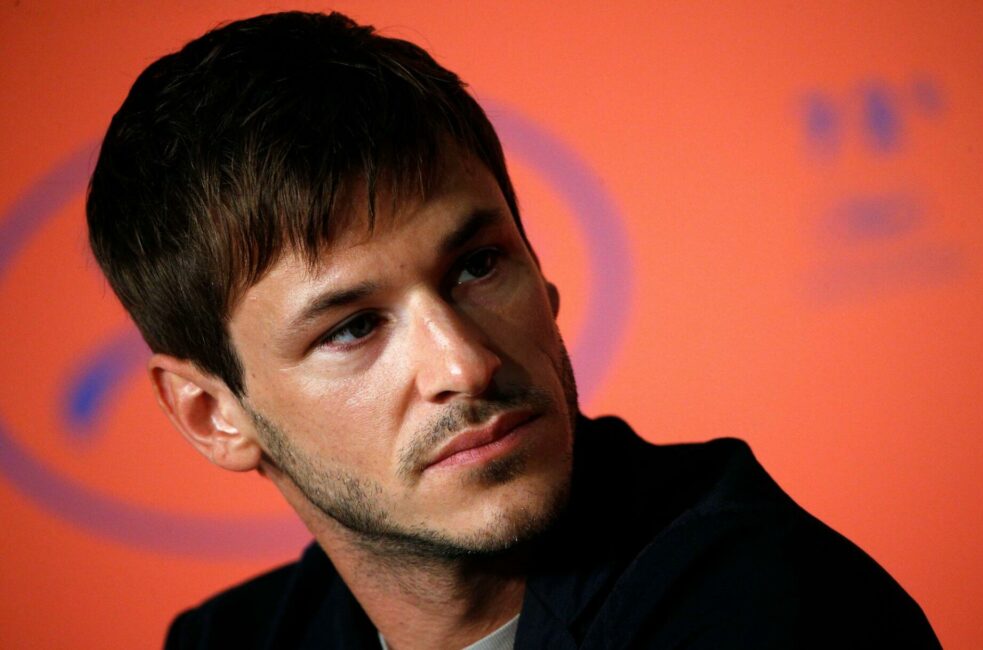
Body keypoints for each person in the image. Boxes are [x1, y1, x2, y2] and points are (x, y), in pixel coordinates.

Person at [86, 11, 940, 650]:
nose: (464, 362)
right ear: (211, 414)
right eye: (352, 328)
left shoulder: (760, 602)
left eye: (477, 267)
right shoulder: (228, 644)